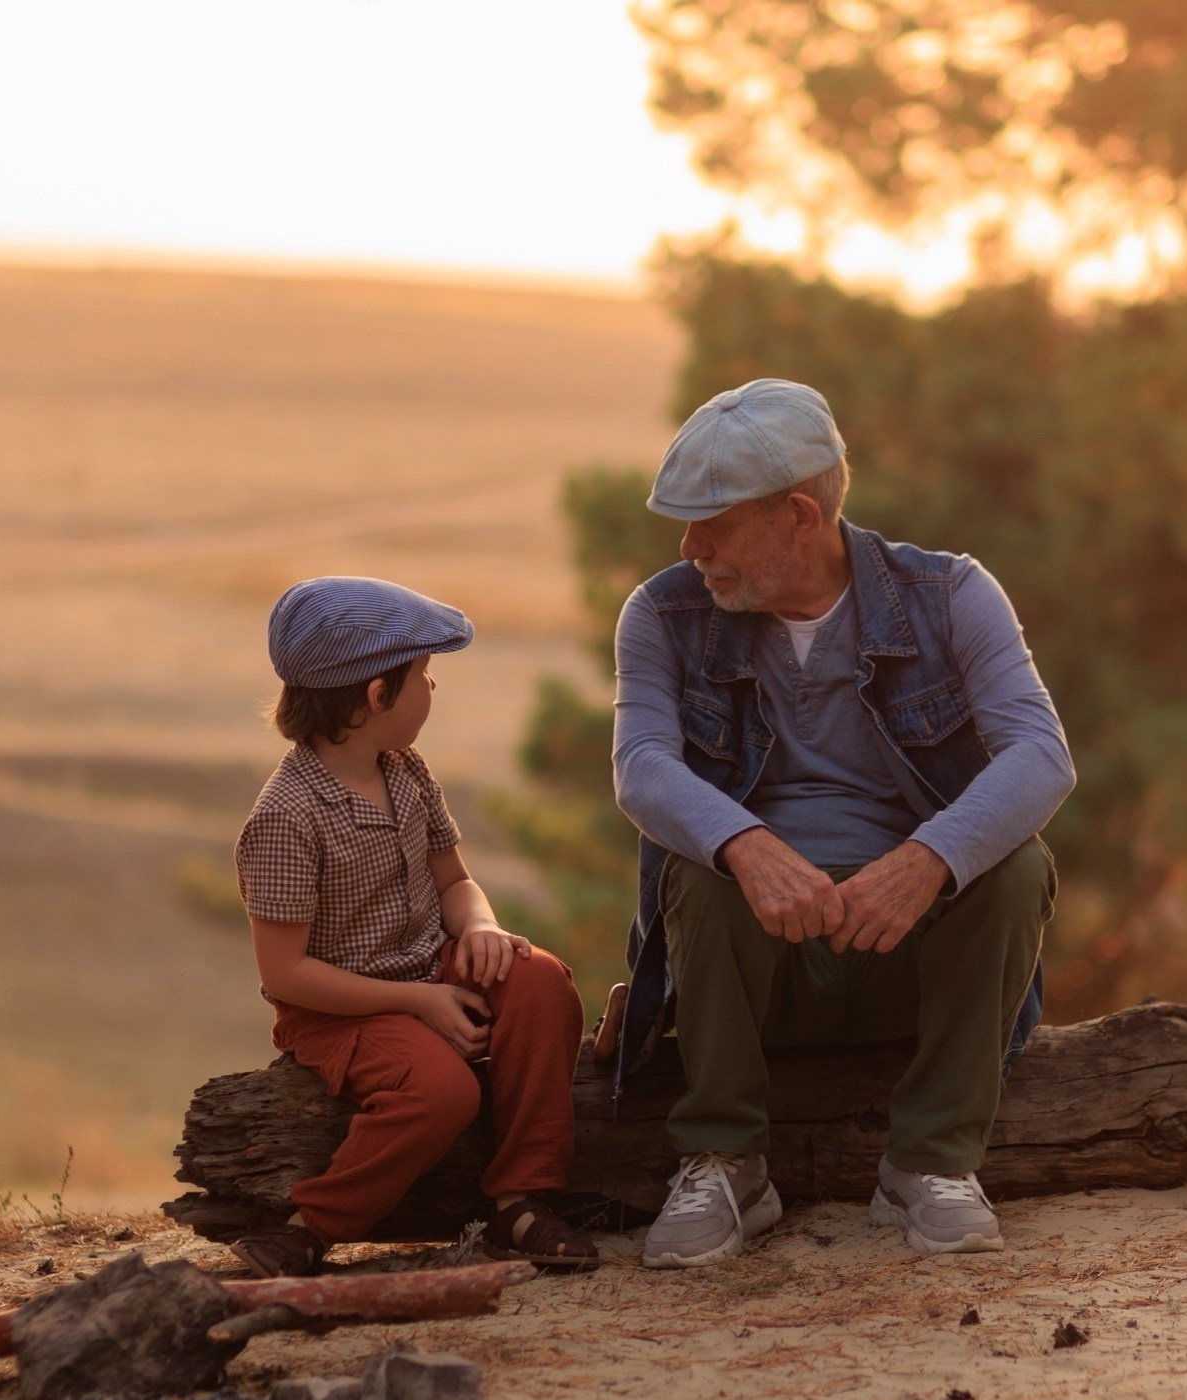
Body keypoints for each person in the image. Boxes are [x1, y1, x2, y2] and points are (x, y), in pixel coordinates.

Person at [612, 378, 1074, 1267]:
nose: (689, 545)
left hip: (913, 962)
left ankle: (931, 1164)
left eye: (712, 520)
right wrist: (745, 845)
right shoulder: (661, 615)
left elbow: (1042, 756)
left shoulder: (952, 595)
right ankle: (725, 1161)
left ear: (796, 514)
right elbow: (642, 771)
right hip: (752, 977)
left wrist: (931, 858)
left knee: (1017, 864)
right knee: (692, 863)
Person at [230, 576, 596, 1277]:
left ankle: (519, 1201)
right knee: (442, 1092)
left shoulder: (404, 770)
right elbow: (285, 975)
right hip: (338, 1009)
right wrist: (420, 1001)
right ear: (376, 695)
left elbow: (453, 882)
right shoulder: (286, 817)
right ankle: (311, 1228)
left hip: (429, 966)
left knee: (542, 982)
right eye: (425, 676)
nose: (434, 690)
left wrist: (482, 927)